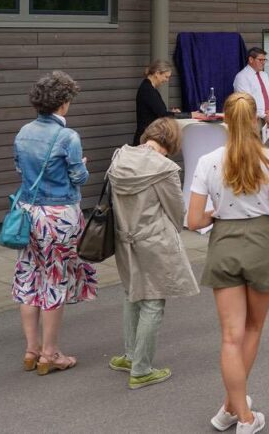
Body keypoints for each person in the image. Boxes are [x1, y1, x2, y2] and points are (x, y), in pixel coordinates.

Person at [187, 92, 269, 434]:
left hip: (224, 243)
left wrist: (216, 213)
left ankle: (232, 408)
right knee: (252, 329)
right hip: (261, 241)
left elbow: (193, 221)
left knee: (230, 337)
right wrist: (267, 211)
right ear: (255, 120)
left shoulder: (208, 161)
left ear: (224, 121)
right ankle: (244, 418)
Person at [12, 71, 97, 376]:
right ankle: (51, 353)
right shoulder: (67, 137)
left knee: (29, 276)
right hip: (58, 215)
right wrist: (83, 168)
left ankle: (31, 350)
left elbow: (20, 168)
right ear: (62, 103)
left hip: (28, 213)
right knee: (54, 279)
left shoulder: (23, 132)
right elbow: (78, 177)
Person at [107, 117, 200, 389]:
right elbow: (176, 211)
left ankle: (129, 355)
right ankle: (142, 369)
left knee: (132, 294)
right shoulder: (165, 169)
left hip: (124, 238)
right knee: (153, 301)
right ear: (171, 141)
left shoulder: (120, 158)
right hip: (154, 239)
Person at [133, 60, 180, 145]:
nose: (167, 80)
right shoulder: (148, 90)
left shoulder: (148, 88)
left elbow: (157, 112)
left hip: (149, 137)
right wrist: (189, 115)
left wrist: (171, 113)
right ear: (157, 74)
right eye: (166, 77)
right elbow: (163, 114)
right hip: (148, 140)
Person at [233, 47, 269, 131]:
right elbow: (247, 103)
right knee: (252, 144)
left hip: (267, 118)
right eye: (260, 60)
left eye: (264, 60)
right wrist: (265, 115)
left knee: (262, 143)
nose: (263, 63)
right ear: (251, 59)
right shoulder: (242, 77)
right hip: (251, 120)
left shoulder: (264, 75)